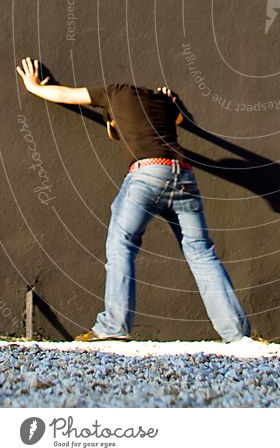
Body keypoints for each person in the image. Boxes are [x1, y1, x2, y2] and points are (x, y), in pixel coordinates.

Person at [16, 57, 261, 346]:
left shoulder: (114, 92)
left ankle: (114, 326)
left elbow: (67, 95)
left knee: (122, 244)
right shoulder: (162, 103)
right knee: (201, 252)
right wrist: (168, 100)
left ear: (111, 115)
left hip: (147, 173)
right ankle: (238, 335)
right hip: (183, 175)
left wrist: (34, 87)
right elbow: (181, 119)